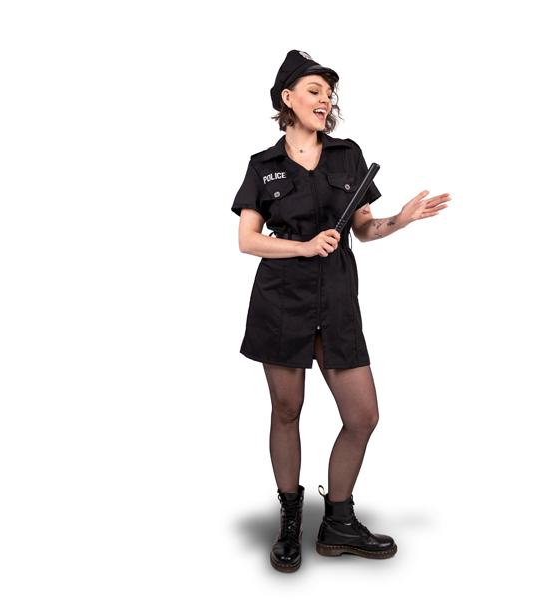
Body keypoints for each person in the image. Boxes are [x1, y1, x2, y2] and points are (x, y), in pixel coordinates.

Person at [231, 50, 452, 573]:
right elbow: (247, 240)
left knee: (363, 415)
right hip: (281, 302)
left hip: (337, 302)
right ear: (287, 98)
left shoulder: (347, 156)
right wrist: (304, 247)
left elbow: (365, 230)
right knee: (287, 411)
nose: (325, 101)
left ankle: (338, 522)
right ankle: (290, 521)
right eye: (314, 91)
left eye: (329, 94)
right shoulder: (263, 166)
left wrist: (401, 219)